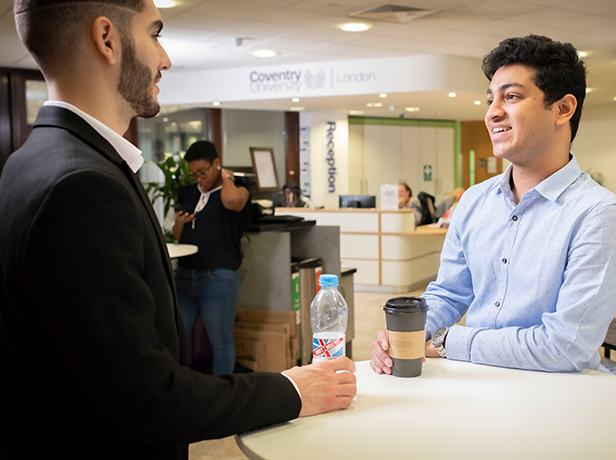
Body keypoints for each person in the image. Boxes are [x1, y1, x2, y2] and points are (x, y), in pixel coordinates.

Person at [0, 0, 355, 458]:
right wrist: (293, 391)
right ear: (107, 39)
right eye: (155, 34)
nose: (165, 58)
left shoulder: (28, 162)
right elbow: (146, 399)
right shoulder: (81, 185)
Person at [371, 35, 616, 375]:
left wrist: (447, 342)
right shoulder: (475, 200)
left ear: (563, 109)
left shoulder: (599, 215)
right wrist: (409, 332)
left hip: (555, 400)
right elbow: (450, 293)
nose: (493, 112)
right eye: (490, 99)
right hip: (475, 383)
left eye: (511, 96)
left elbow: (565, 347)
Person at [173, 140, 250, 376]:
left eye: (203, 172)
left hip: (218, 277)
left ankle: (223, 396)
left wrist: (226, 177)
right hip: (185, 276)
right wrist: (180, 222)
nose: (199, 178)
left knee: (221, 340)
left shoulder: (238, 188)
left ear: (216, 163)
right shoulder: (186, 193)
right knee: (176, 337)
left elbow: (232, 202)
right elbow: (177, 235)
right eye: (193, 174)